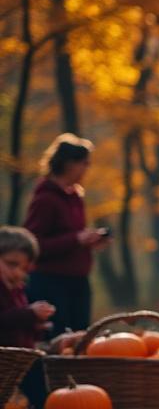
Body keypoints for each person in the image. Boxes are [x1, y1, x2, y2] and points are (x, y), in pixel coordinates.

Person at [23, 133, 105, 338]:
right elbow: (32, 244)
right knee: (56, 340)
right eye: (84, 163)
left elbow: (70, 237)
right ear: (69, 164)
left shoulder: (76, 196)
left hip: (77, 281)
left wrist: (88, 242)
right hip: (51, 282)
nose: (87, 168)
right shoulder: (46, 199)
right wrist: (75, 239)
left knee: (80, 339)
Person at [0, 227, 56, 409]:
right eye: (11, 264)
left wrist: (36, 326)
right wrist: (29, 314)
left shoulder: (17, 289)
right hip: (6, 356)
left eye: (23, 268)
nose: (17, 272)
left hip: (22, 355)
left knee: (40, 383)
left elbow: (17, 320)